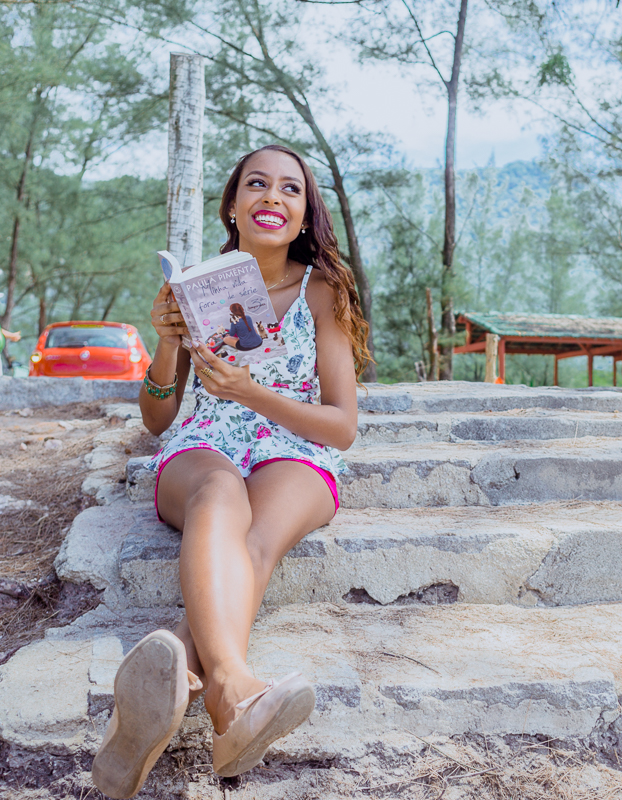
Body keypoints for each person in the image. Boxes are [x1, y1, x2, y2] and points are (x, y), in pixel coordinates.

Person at [92, 144, 371, 799]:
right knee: (220, 496)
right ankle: (233, 694)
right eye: (257, 184)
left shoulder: (322, 289)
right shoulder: (199, 287)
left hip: (294, 446)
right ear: (232, 205)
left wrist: (252, 393)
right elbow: (158, 420)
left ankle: (187, 680)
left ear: (305, 216)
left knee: (256, 542)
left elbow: (341, 424)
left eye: (289, 189)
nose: (272, 197)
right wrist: (166, 340)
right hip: (207, 441)